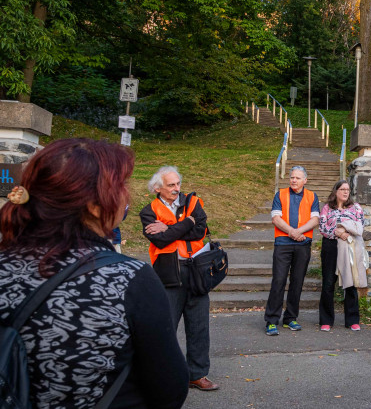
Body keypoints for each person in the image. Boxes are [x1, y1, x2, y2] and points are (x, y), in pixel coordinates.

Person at [0, 138, 188, 409]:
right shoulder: (128, 279)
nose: (127, 196)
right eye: (121, 186)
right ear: (93, 205)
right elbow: (170, 390)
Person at [140, 166, 219, 392]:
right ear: (158, 188)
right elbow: (161, 241)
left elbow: (200, 231)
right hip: (167, 273)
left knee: (199, 326)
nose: (176, 189)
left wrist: (170, 227)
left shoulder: (194, 203)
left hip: (197, 270)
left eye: (178, 184)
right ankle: (162, 375)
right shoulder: (148, 211)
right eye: (171, 185)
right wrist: (187, 223)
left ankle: (197, 374)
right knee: (165, 327)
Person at [264, 166, 320, 336]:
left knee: (297, 282)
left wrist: (299, 232)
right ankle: (271, 320)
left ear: (305, 180)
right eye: (292, 177)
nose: (293, 180)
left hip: (303, 244)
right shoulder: (280, 194)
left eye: (297, 178)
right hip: (283, 244)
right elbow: (275, 218)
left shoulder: (312, 196)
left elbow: (315, 219)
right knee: (279, 281)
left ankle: (290, 318)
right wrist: (293, 232)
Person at [318, 180, 365, 332]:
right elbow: (323, 227)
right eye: (342, 189)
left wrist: (344, 232)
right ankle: (326, 320)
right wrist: (337, 232)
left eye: (348, 189)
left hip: (349, 246)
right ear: (335, 191)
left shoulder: (356, 207)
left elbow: (360, 226)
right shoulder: (327, 208)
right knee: (328, 282)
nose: (346, 192)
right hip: (331, 246)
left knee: (350, 283)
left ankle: (352, 320)